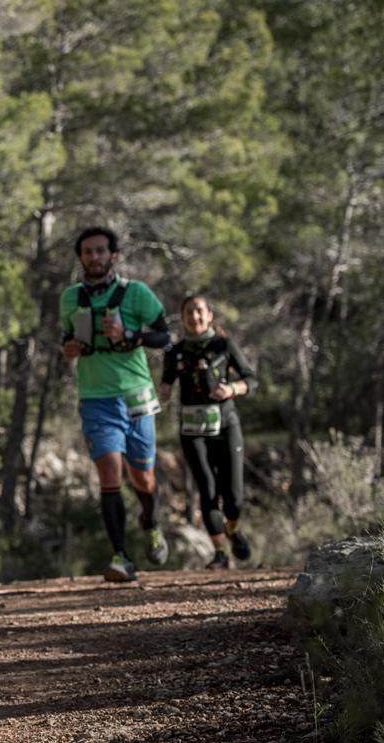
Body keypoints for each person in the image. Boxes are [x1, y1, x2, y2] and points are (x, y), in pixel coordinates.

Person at [60, 226, 172, 583]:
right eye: (88, 252)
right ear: (81, 257)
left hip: (136, 393)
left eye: (100, 251)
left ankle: (151, 520)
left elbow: (165, 336)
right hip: (95, 398)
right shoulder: (70, 297)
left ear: (113, 256)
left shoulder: (136, 293)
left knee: (143, 477)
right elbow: (67, 338)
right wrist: (69, 349)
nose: (94, 257)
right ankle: (121, 556)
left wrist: (130, 336)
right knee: (109, 473)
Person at [159, 295, 257, 569]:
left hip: (225, 426)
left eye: (200, 312)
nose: (195, 317)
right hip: (192, 431)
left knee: (234, 497)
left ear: (210, 315)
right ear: (183, 318)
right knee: (208, 489)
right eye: (189, 312)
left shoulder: (223, 345)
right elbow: (166, 384)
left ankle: (233, 530)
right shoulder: (176, 352)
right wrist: (164, 391)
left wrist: (232, 389)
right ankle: (220, 554)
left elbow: (251, 378)